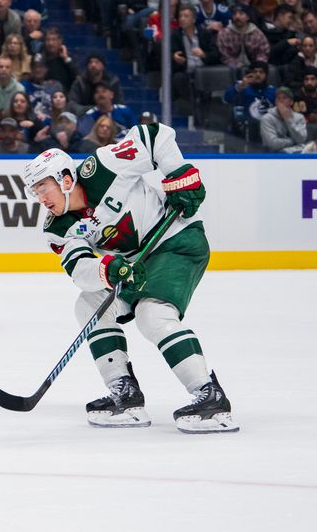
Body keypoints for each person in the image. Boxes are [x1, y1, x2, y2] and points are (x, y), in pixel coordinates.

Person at [21, 126, 239, 434]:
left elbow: (154, 136)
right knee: (89, 305)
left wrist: (179, 174)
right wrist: (106, 269)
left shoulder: (102, 166)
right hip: (137, 264)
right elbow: (79, 269)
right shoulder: (57, 228)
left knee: (153, 313)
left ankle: (210, 396)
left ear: (66, 180)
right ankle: (125, 395)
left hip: (176, 239)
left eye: (44, 187)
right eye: (35, 191)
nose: (40, 198)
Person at [260, 86, 308, 152]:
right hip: (273, 156)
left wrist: (289, 120)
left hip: (295, 154)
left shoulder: (299, 117)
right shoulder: (267, 118)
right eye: (278, 98)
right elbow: (272, 144)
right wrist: (293, 141)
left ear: (291, 102)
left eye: (284, 98)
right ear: (275, 102)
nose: (280, 101)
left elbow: (301, 139)